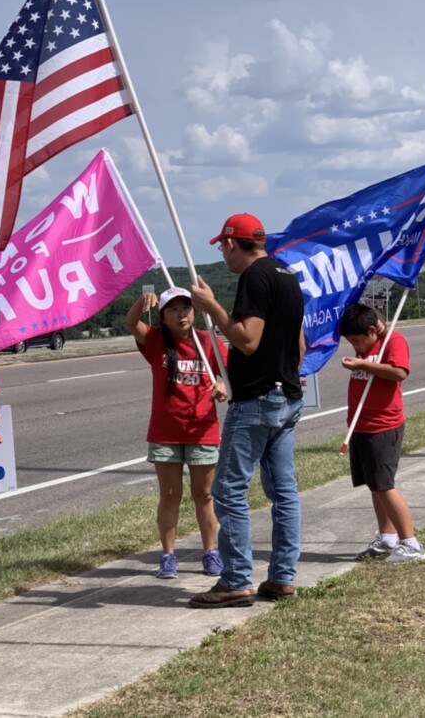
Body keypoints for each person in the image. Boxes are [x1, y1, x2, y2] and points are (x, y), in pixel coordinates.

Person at [188, 213, 305, 608]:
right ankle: (282, 577)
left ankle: (236, 579)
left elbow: (247, 340)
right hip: (287, 395)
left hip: (257, 399)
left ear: (233, 243)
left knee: (228, 490)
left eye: (222, 247)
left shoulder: (254, 278)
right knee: (283, 491)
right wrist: (285, 373)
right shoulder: (287, 275)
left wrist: (213, 308)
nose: (222, 255)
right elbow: (300, 343)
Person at [125, 287, 228, 579]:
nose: (181, 314)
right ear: (163, 317)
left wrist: (223, 387)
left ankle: (210, 552)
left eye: (186, 308)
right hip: (166, 433)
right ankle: (168, 556)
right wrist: (140, 302)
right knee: (170, 496)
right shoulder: (156, 341)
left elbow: (231, 375)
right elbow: (131, 324)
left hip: (203, 431)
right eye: (173, 309)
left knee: (204, 495)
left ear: (195, 311)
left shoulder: (207, 341)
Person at [339, 303, 425, 563]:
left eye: (357, 340)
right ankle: (387, 537)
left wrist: (363, 364)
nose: (356, 346)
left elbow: (399, 372)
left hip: (383, 426)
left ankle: (410, 543)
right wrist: (361, 357)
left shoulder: (393, 341)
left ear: (371, 331)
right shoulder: (365, 341)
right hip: (361, 425)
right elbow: (366, 313)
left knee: (384, 485)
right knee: (374, 486)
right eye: (350, 342)